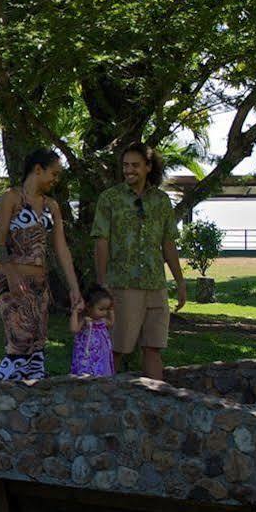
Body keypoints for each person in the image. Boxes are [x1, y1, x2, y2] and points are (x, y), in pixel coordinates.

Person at [91, 142, 187, 379]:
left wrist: (180, 281)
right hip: (123, 285)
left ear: (148, 167)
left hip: (156, 285)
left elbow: (168, 243)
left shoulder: (162, 201)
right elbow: (101, 241)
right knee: (117, 348)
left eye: (135, 165)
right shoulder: (110, 199)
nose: (129, 170)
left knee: (153, 347)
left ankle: (157, 403)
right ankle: (102, 401)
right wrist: (102, 283)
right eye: (125, 165)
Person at [0, 148, 85, 382]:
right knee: (20, 341)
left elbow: (61, 249)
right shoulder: (11, 198)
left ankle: (29, 404)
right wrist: (11, 275)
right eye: (54, 173)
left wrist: (74, 287)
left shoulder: (51, 206)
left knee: (36, 346)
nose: (56, 179)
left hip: (39, 287)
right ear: (37, 170)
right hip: (13, 283)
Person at [69, 284, 116, 378]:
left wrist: (111, 310)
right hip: (87, 354)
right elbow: (74, 329)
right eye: (101, 309)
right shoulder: (85, 320)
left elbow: (111, 323)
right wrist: (74, 312)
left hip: (102, 354)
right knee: (86, 372)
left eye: (107, 309)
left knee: (103, 371)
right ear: (88, 306)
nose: (104, 312)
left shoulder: (102, 321)